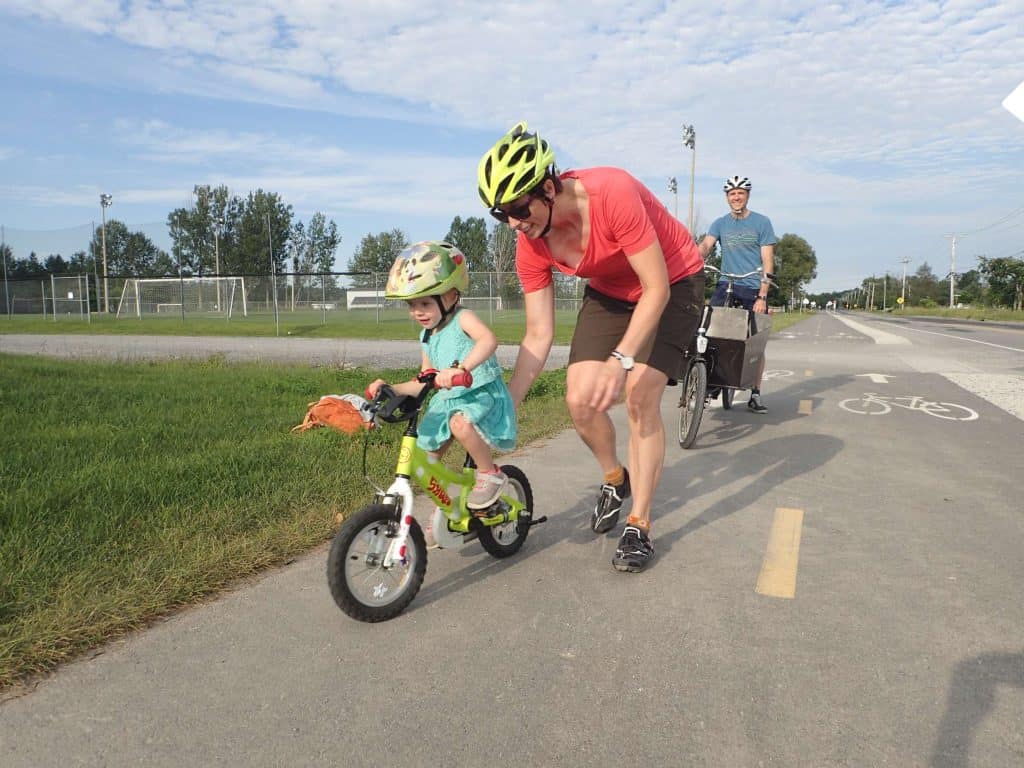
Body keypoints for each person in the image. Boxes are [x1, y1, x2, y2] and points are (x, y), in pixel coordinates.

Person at [477, 122, 705, 573]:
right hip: (611, 292)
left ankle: (639, 524)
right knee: (579, 400)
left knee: (639, 394)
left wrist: (621, 361)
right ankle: (615, 479)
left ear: (547, 188)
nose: (514, 223)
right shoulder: (531, 245)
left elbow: (656, 288)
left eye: (518, 208)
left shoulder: (611, 194)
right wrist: (508, 403)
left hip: (673, 280)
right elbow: (538, 334)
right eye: (501, 215)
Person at [366, 241, 517, 511]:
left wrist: (462, 368)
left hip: (478, 393)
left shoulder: (463, 318)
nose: (417, 311)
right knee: (425, 461)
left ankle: (489, 473)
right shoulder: (426, 336)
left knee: (459, 424)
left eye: (425, 303)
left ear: (450, 296)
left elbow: (488, 340)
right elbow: (424, 379)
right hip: (447, 400)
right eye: (412, 304)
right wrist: (391, 388)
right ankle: (449, 513)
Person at [698, 175, 777, 413]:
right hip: (726, 283)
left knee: (755, 343)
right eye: (732, 193)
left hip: (752, 286)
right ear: (727, 197)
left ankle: (755, 394)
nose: (736, 197)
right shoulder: (720, 223)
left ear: (747, 195)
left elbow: (767, 260)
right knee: (710, 331)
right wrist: (693, 257)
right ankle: (709, 383)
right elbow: (706, 246)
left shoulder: (762, 222)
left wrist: (762, 295)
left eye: (740, 193)